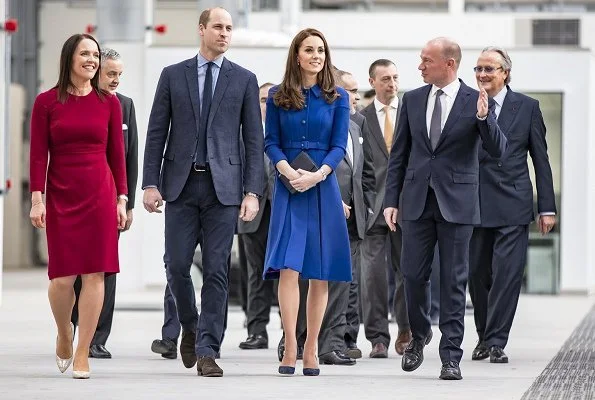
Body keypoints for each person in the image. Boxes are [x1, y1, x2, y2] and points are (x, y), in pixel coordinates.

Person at [142, 7, 264, 378]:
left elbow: (253, 141)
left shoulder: (243, 79)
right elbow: (155, 132)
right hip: (180, 185)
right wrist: (150, 183)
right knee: (176, 266)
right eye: (218, 27)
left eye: (229, 28)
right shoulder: (172, 75)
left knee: (216, 271)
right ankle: (191, 325)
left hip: (222, 190)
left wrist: (252, 192)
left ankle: (209, 349)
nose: (225, 33)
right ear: (201, 29)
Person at [383, 37, 507, 380]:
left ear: (448, 64)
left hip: (458, 204)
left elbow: (498, 151)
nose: (420, 66)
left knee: (453, 281)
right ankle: (419, 335)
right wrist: (391, 200)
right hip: (416, 201)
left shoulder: (477, 100)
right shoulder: (412, 99)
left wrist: (485, 119)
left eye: (426, 60)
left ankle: (451, 355)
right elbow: (400, 156)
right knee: (411, 275)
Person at [29, 33, 127, 379]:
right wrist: (37, 199)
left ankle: (84, 350)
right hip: (61, 194)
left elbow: (117, 154)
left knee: (94, 274)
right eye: (85, 53)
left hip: (100, 193)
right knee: (61, 277)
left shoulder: (109, 102)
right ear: (69, 57)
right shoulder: (46, 103)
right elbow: (39, 155)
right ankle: (63, 332)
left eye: (96, 55)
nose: (92, 60)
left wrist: (121, 198)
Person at [263, 28, 351, 376]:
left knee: (319, 272)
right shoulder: (276, 95)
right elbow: (271, 142)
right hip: (288, 186)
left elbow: (338, 146)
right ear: (296, 55)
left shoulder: (338, 96)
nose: (316, 55)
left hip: (322, 185)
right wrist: (288, 173)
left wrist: (315, 176)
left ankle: (312, 347)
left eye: (321, 50)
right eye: (309, 50)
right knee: (289, 267)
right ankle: (290, 345)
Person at [469, 47, 556, 364]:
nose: (482, 74)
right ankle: (482, 336)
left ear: (505, 72)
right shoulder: (466, 105)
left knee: (506, 275)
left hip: (513, 203)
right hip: (474, 204)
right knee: (478, 276)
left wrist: (546, 207)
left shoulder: (528, 107)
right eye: (478, 68)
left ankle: (495, 341)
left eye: (489, 68)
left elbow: (541, 160)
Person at [71, 47, 139, 360]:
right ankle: (75, 328)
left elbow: (131, 158)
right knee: (73, 268)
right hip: (74, 198)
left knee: (105, 270)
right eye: (110, 74)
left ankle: (97, 337)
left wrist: (129, 203)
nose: (115, 80)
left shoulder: (124, 106)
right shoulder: (71, 103)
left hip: (111, 201)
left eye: (119, 75)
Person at [316, 69, 375, 365]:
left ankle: (332, 344)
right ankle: (299, 339)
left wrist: (368, 208)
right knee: (312, 281)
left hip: (353, 220)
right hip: (321, 214)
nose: (355, 97)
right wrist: (331, 200)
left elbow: (366, 173)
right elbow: (308, 164)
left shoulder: (355, 126)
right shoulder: (319, 123)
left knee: (343, 285)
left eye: (355, 91)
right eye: (348, 90)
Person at [359, 59, 410, 357]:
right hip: (373, 208)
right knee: (373, 275)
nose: (392, 84)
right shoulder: (361, 118)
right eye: (386, 79)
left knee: (408, 272)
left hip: (406, 207)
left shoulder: (411, 113)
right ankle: (378, 336)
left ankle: (406, 330)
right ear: (373, 81)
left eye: (395, 77)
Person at [238, 82, 277, 350]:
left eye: (272, 99)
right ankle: (257, 330)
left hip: (284, 212)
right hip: (254, 214)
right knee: (255, 273)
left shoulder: (288, 131)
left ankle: (292, 330)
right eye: (263, 99)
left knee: (290, 274)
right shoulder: (244, 134)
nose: (267, 104)